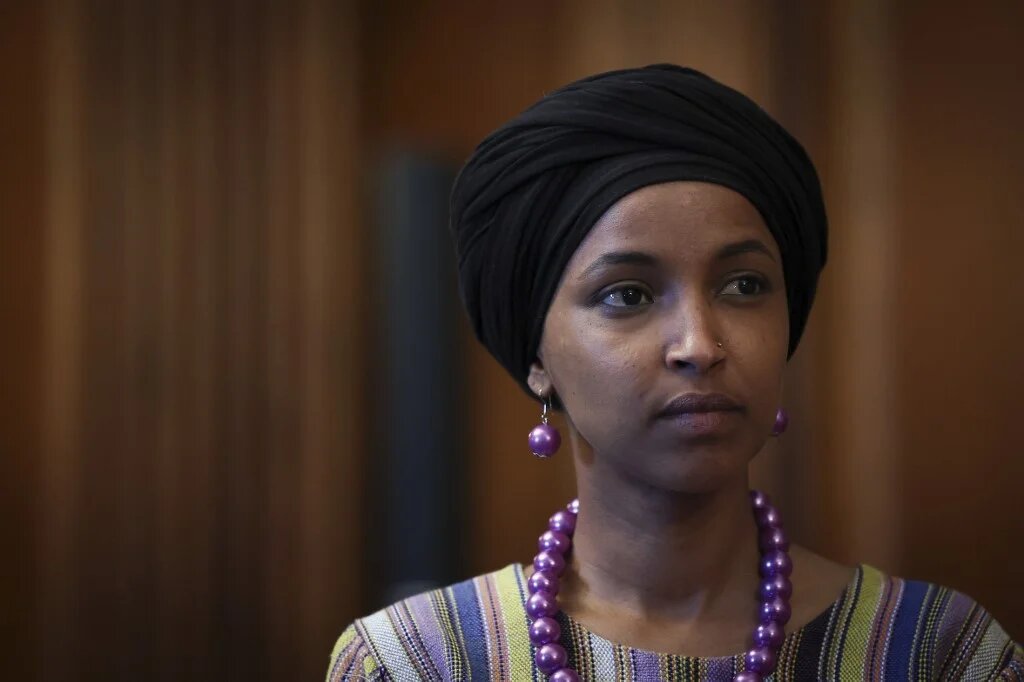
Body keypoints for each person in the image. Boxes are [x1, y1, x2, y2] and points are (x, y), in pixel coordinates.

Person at [327, 65, 1023, 681]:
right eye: (627, 295)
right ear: (537, 358)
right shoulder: (418, 663)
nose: (699, 345)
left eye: (744, 286)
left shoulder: (936, 654)